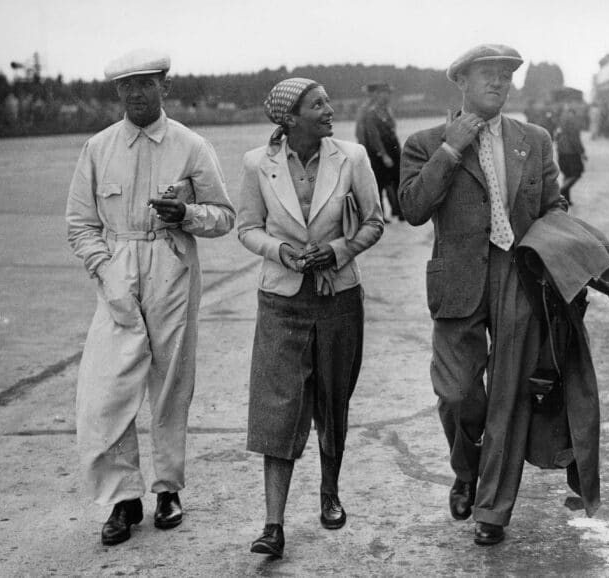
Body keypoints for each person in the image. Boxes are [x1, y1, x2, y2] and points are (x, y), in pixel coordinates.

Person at [65, 49, 236, 546]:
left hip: (172, 265)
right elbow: (79, 224)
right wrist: (104, 268)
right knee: (107, 387)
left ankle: (166, 489)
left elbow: (224, 216)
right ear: (117, 92)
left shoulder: (191, 145)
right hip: (117, 268)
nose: (135, 92)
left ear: (165, 84)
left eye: (145, 82)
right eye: (126, 85)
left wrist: (186, 214)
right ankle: (122, 498)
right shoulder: (97, 148)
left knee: (170, 382)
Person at [399, 44, 567, 546]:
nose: (498, 83)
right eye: (487, 75)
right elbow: (411, 208)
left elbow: (553, 204)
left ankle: (492, 511)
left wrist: (563, 258)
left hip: (518, 273)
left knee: (510, 397)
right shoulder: (425, 142)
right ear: (462, 82)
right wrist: (450, 150)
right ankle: (466, 471)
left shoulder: (533, 140)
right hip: (458, 280)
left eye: (505, 76)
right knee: (456, 394)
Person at [237, 77, 384, 557]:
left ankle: (329, 493)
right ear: (290, 117)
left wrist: (337, 250)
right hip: (281, 299)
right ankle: (273, 526)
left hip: (338, 297)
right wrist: (281, 251)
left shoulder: (353, 157)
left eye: (327, 101)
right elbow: (247, 228)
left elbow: (373, 221)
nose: (329, 109)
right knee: (277, 408)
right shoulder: (257, 165)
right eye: (317, 104)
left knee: (332, 399)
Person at [355, 82, 403, 221]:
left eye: (388, 93)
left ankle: (398, 211)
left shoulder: (386, 109)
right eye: (384, 93)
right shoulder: (368, 111)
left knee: (395, 181)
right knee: (379, 183)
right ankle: (380, 214)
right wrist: (381, 154)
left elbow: (392, 128)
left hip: (392, 149)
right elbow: (369, 135)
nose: (387, 96)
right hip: (375, 152)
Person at [555, 105, 587, 205]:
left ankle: (566, 199)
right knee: (576, 173)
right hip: (571, 152)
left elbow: (556, 137)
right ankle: (559, 193)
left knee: (567, 174)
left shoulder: (561, 121)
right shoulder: (572, 122)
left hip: (561, 151)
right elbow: (575, 139)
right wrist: (581, 152)